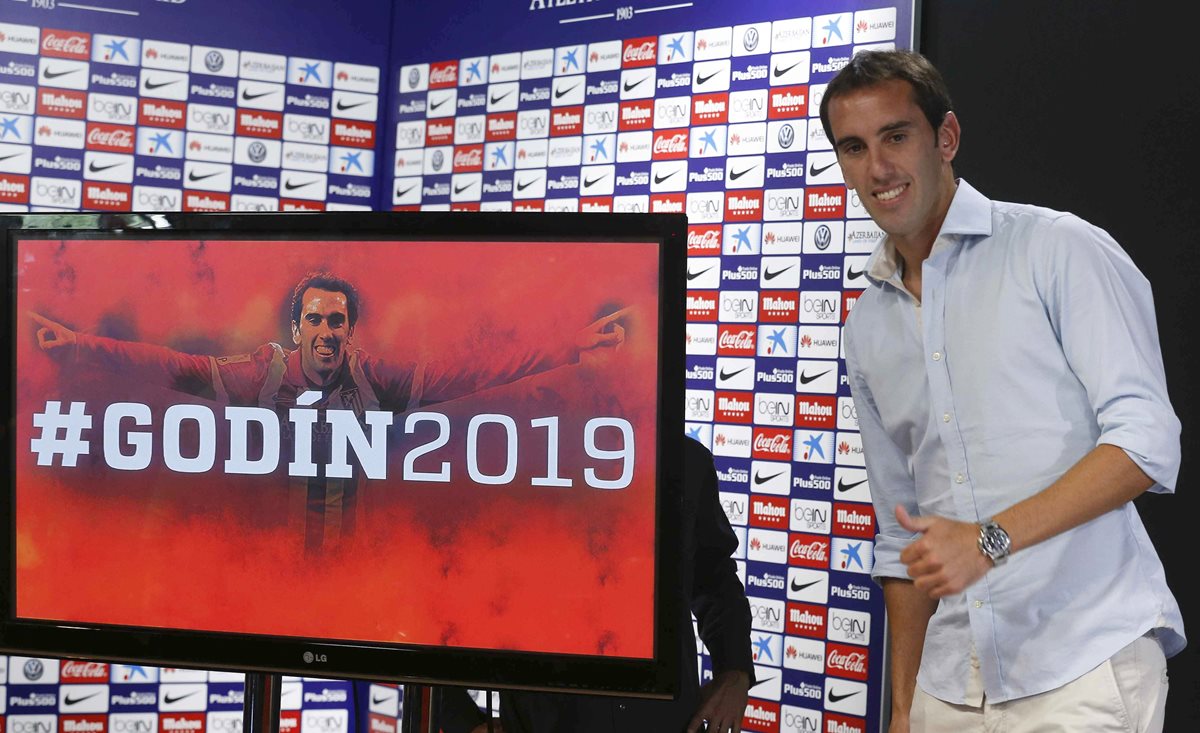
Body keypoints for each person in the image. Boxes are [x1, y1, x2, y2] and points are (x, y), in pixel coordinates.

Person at [821, 50, 1184, 732]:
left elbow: (1147, 442)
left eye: (896, 136)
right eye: (854, 147)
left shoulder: (1057, 249)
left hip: (1082, 668)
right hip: (947, 686)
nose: (878, 168)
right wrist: (901, 709)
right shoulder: (867, 325)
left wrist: (987, 539)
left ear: (946, 138)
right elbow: (902, 538)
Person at [30, 271, 627, 553]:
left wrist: (567, 349)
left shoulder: (373, 378)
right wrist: (80, 345)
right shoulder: (259, 374)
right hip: (260, 567)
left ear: (350, 330)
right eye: (313, 319)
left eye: (336, 320)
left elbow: (470, 375)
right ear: (296, 329)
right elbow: (169, 365)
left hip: (344, 570)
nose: (325, 331)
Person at [450, 437, 749, 733]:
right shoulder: (508, 461)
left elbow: (714, 576)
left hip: (665, 719)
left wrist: (735, 669)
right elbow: (432, 592)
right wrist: (464, 721)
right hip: (543, 719)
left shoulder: (683, 458)